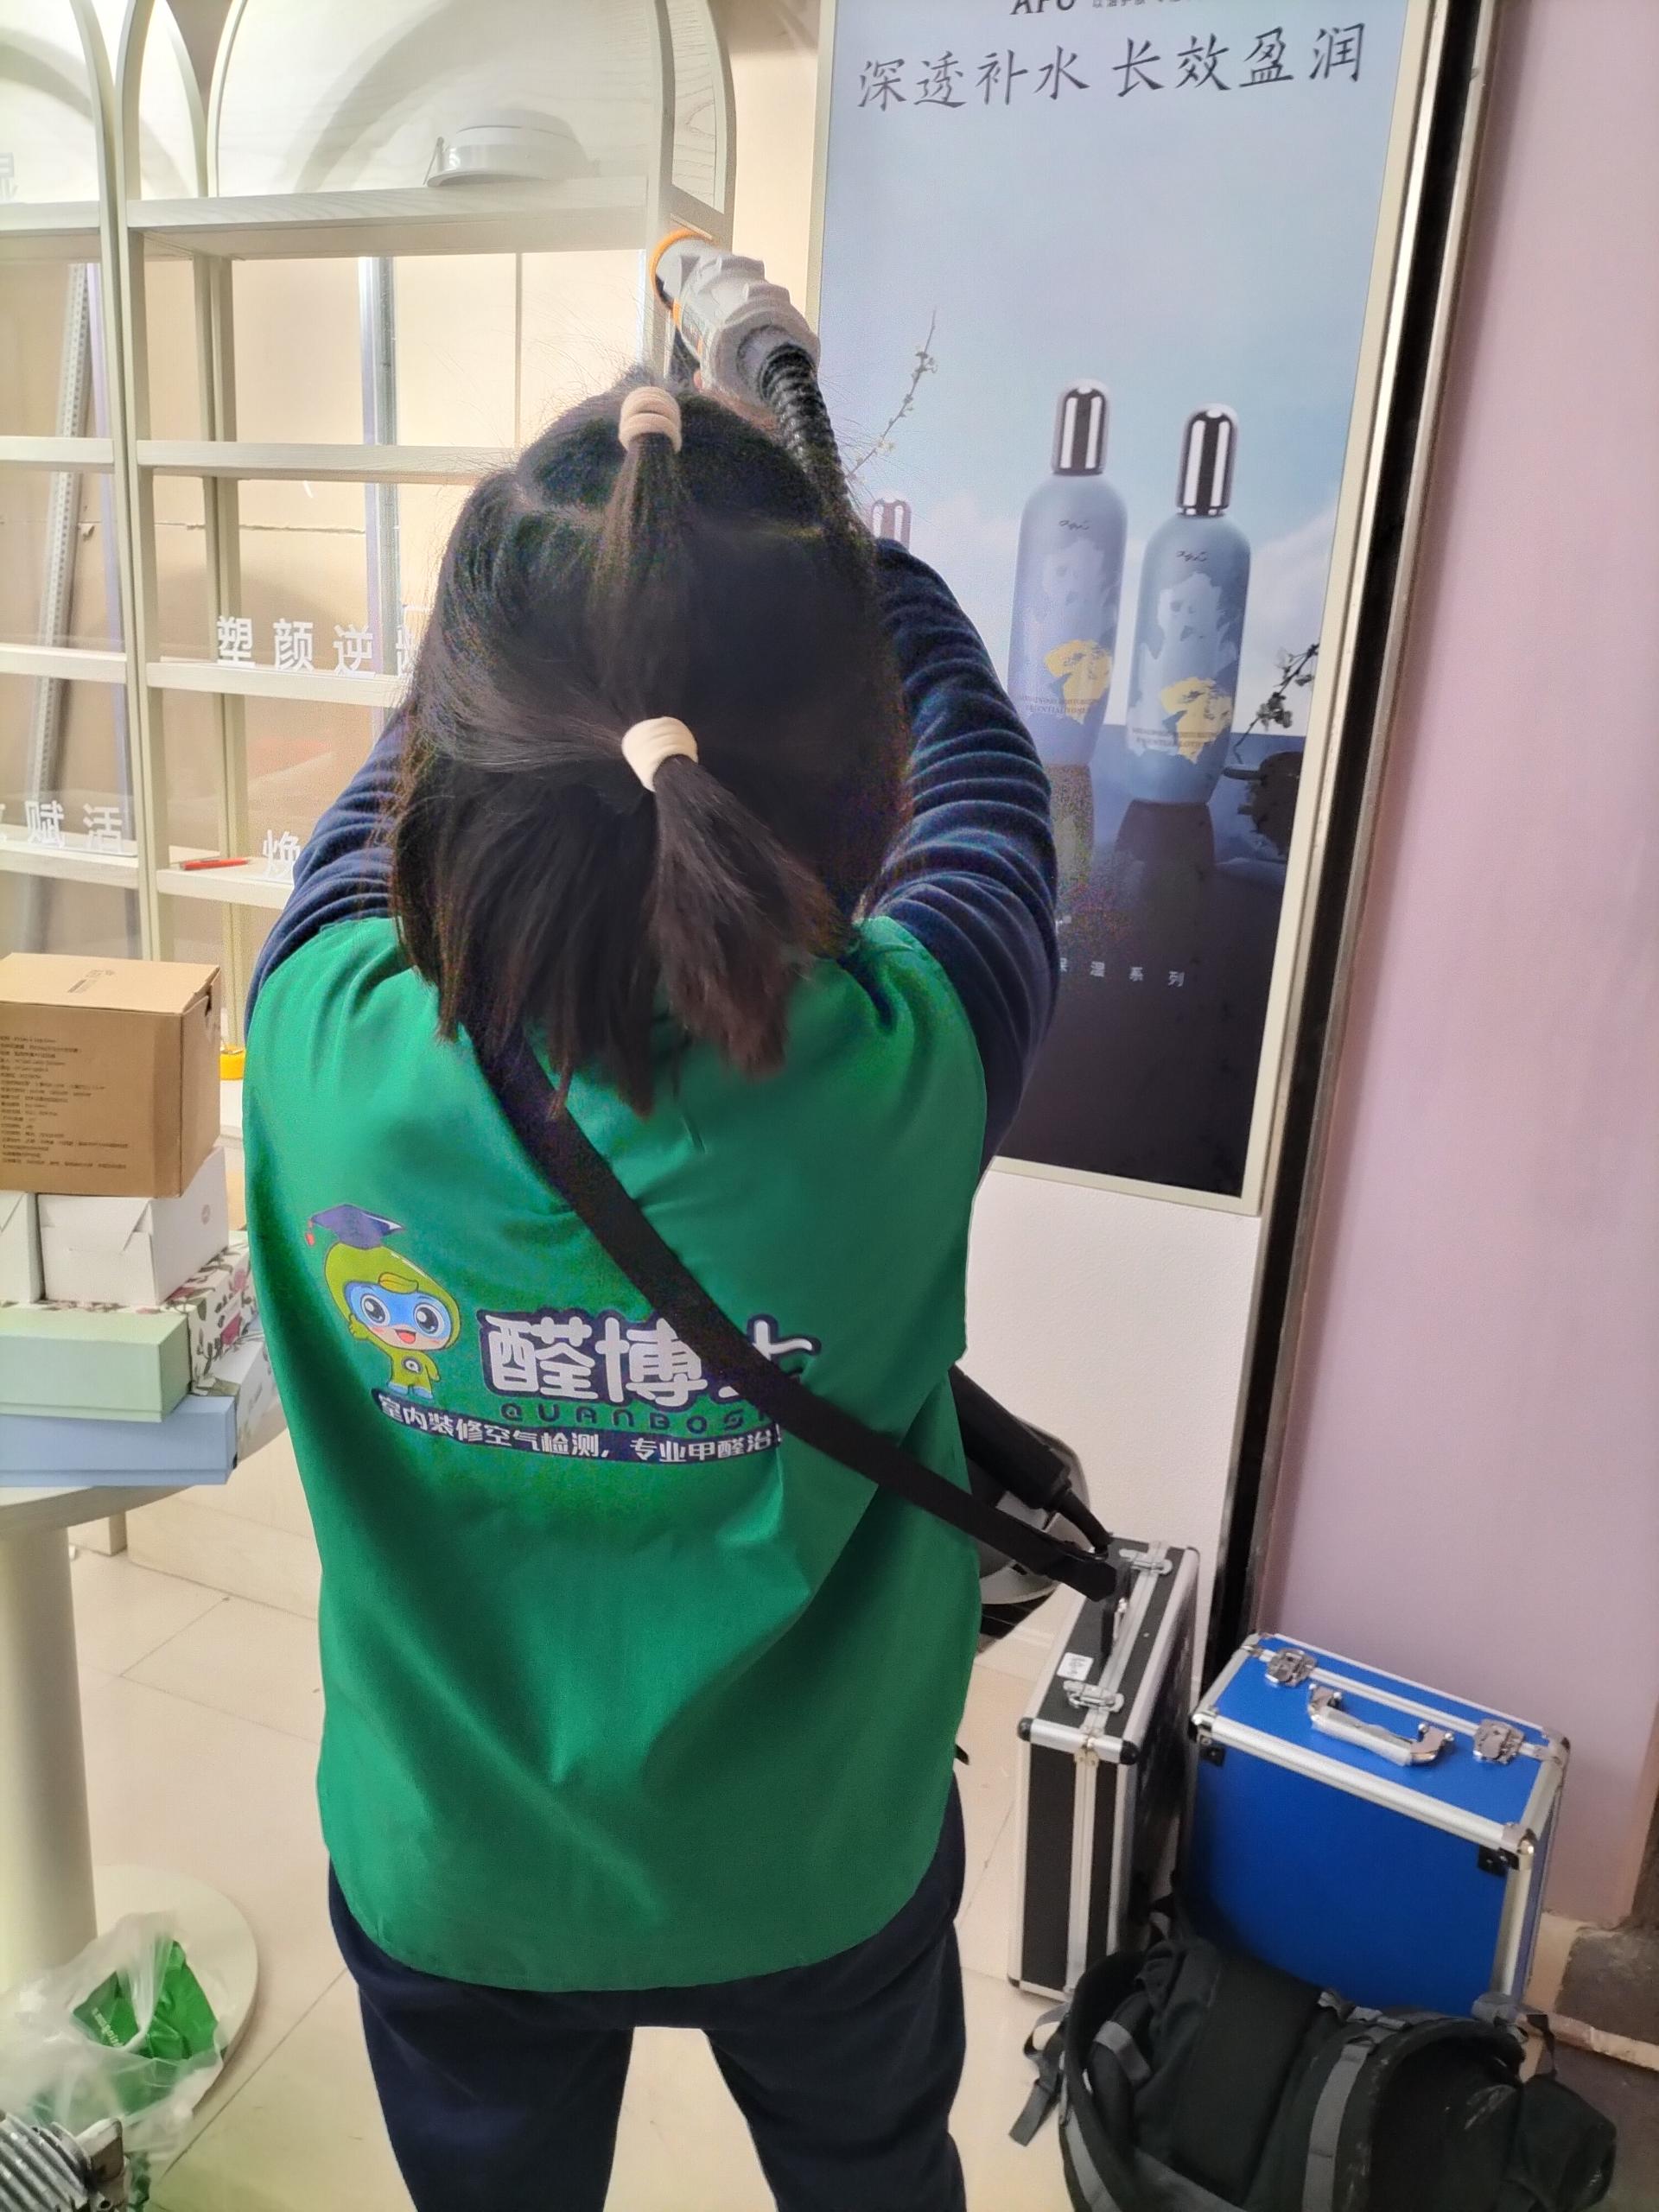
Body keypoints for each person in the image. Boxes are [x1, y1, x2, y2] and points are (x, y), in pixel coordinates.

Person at [243, 372, 1057, 2212]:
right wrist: (860, 560)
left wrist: (557, 603)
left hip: (458, 1870)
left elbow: (372, 817)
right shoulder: (902, 1074)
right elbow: (995, 805)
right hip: (821, 1861)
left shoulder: (318, 1046)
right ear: (845, 777)